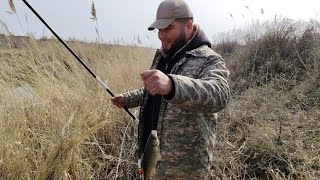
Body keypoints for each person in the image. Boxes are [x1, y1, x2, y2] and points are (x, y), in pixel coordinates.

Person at [111, 0, 230, 179]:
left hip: (184, 170)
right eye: (159, 29)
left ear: (188, 26)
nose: (161, 35)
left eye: (168, 28)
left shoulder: (210, 60)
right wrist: (128, 98)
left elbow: (220, 95)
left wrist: (173, 85)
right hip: (151, 161)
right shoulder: (164, 55)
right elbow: (154, 90)